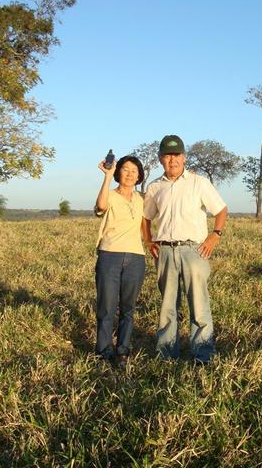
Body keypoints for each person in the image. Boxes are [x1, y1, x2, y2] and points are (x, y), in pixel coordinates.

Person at [142, 135, 228, 365]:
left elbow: (221, 210)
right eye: (168, 155)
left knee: (199, 304)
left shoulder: (198, 183)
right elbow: (145, 217)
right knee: (167, 305)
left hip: (194, 250)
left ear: (184, 157)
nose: (173, 160)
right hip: (165, 251)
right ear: (160, 159)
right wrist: (149, 241)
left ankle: (202, 354)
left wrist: (215, 235)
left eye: (177, 155)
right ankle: (167, 353)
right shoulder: (154, 187)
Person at [94, 155, 146, 367]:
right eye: (125, 169)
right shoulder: (111, 195)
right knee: (106, 306)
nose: (130, 173)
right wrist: (107, 177)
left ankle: (123, 351)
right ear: (118, 172)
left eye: (134, 170)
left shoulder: (142, 199)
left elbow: (146, 225)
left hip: (136, 257)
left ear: (139, 175)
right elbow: (101, 206)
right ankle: (104, 351)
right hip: (110, 254)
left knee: (128, 308)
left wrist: (150, 244)